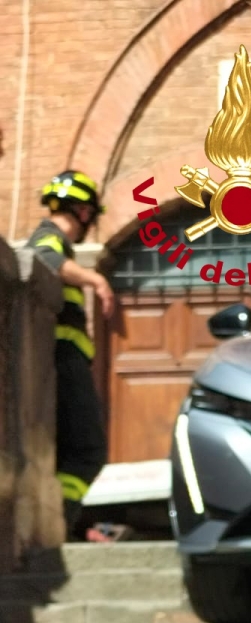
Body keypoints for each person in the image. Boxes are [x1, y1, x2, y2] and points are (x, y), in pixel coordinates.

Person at [25, 170, 114, 539]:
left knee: (66, 455)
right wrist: (96, 279)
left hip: (58, 364)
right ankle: (57, 522)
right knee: (88, 451)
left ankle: (60, 524)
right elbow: (43, 258)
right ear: (82, 211)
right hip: (63, 362)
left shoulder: (59, 243)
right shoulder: (49, 237)